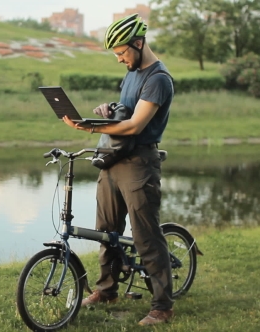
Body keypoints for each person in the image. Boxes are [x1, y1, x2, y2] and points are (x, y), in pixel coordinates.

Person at [62, 13, 175, 326]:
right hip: (113, 159)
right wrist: (109, 110)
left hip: (139, 163)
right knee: (107, 231)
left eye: (122, 52)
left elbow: (137, 124)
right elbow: (127, 111)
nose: (119, 59)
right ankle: (107, 289)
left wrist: (89, 128)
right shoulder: (133, 74)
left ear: (139, 43)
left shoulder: (158, 79)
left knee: (146, 236)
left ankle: (162, 306)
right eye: (116, 55)